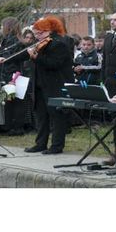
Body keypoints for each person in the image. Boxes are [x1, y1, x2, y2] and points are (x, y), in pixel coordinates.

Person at [24, 16, 74, 155]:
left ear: (48, 30)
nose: (37, 37)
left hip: (55, 84)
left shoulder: (59, 43)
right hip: (40, 84)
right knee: (41, 116)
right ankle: (40, 143)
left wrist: (36, 57)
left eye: (39, 33)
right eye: (35, 34)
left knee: (56, 116)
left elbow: (54, 63)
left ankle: (57, 146)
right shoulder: (42, 43)